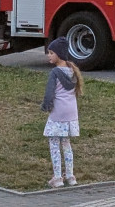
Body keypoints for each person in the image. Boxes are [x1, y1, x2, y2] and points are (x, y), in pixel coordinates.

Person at [41, 38, 82, 188]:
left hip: (58, 113)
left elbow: (49, 93)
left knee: (54, 144)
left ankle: (57, 178)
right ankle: (71, 177)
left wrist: (46, 106)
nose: (49, 55)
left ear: (59, 54)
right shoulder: (72, 71)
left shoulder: (55, 73)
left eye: (51, 53)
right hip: (71, 113)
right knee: (66, 143)